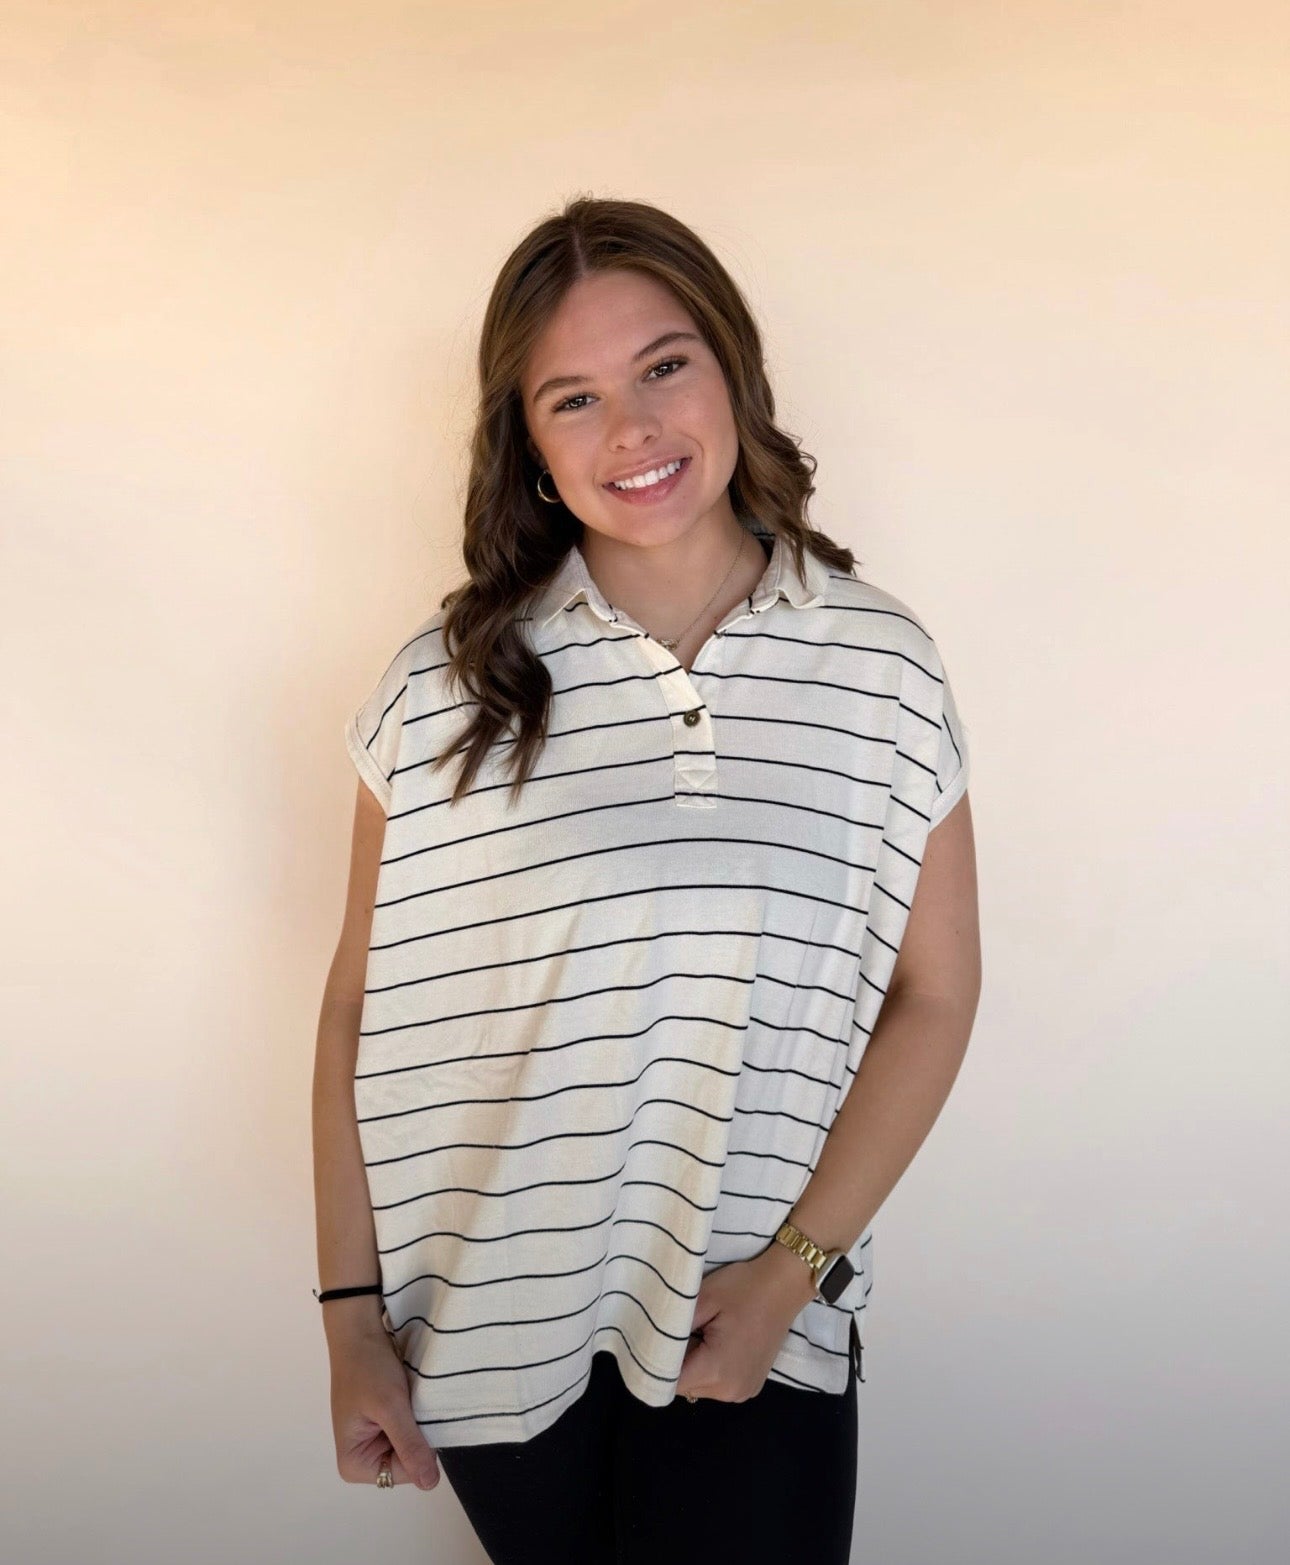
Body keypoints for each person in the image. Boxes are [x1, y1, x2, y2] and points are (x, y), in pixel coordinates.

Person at [312, 195, 981, 1564]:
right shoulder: (442, 686)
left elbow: (937, 990)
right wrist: (350, 1321)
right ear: (531, 447)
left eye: (663, 365)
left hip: (749, 1320)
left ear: (729, 364)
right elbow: (352, 1014)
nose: (631, 430)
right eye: (573, 397)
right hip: (491, 1340)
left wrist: (790, 1275)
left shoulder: (881, 666)